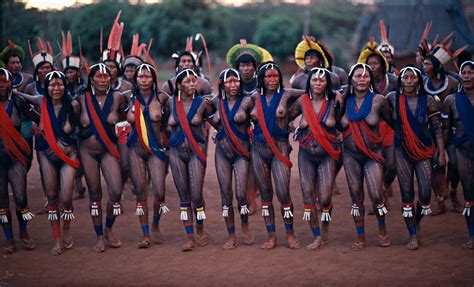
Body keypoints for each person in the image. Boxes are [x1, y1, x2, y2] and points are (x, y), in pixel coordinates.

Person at [17, 71, 80, 255]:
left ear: (65, 85)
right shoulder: (40, 101)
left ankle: (67, 229)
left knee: (67, 198)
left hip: (69, 154)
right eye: (52, 85)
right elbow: (20, 95)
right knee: (52, 197)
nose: (56, 88)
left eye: (60, 84)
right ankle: (57, 238)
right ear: (45, 87)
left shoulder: (73, 104)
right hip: (46, 154)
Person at [387, 66, 445, 250]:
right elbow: (384, 117)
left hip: (424, 150)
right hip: (401, 150)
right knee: (406, 193)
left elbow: (437, 127)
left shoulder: (428, 100)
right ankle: (412, 233)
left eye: (413, 78)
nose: (409, 80)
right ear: (400, 80)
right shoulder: (392, 99)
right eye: (406, 77)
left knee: (426, 193)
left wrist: (441, 152)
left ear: (419, 81)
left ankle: (417, 220)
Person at [338, 63, 392, 251]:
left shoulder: (380, 100)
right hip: (351, 156)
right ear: (351, 79)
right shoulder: (343, 101)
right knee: (356, 197)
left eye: (366, 76)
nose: (362, 79)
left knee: (377, 195)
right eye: (358, 76)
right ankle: (360, 236)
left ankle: (382, 230)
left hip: (372, 155)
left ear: (371, 79)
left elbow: (394, 123)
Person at [250, 62, 302, 250]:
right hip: (258, 148)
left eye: (275, 76)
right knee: (265, 195)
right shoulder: (253, 98)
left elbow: (309, 92)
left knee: (283, 193)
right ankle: (271, 235)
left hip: (279, 147)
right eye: (268, 76)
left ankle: (290, 234)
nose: (272, 80)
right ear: (261, 79)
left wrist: (335, 93)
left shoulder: (287, 95)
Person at [289, 68, 341, 250]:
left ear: (328, 83)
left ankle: (324, 229)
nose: (317, 84)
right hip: (306, 154)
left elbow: (344, 123)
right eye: (314, 80)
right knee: (307, 194)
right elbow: (285, 117)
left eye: (322, 81)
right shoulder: (302, 102)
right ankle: (316, 235)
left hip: (327, 155)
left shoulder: (335, 101)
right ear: (308, 82)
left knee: (325, 198)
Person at [77, 63, 125, 252]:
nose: (103, 80)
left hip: (109, 150)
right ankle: (98, 236)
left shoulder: (118, 97)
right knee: (95, 194)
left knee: (115, 192)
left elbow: (128, 117)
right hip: (87, 151)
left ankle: (108, 229)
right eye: (98, 76)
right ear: (91, 79)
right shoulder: (81, 98)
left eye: (106, 76)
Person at [166, 68, 215, 251]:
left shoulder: (203, 103)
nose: (192, 83)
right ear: (179, 84)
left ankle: (200, 228)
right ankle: (189, 236)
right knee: (184, 197)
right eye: (187, 81)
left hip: (196, 152)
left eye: (194, 80)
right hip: (176, 153)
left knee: (196, 195)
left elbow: (219, 119)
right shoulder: (170, 103)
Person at [126, 63, 170, 248]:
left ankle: (155, 224)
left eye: (147, 77)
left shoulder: (162, 98)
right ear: (135, 79)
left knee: (159, 191)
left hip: (156, 150)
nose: (144, 80)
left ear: (153, 79)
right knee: (141, 191)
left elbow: (170, 122)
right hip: (135, 149)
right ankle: (145, 234)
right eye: (140, 77)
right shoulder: (126, 98)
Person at [211, 68, 254, 249]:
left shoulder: (248, 100)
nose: (233, 84)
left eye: (235, 80)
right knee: (225, 194)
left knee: (241, 193)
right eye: (228, 81)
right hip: (222, 153)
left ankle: (245, 225)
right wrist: (216, 129)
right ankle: (231, 234)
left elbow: (261, 118)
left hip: (242, 153)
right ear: (222, 84)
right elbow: (197, 112)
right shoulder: (215, 101)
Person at [422, 42, 464, 215]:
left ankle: (453, 191)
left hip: (452, 130)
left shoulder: (453, 83)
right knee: (434, 165)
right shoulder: (421, 84)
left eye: (428, 64)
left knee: (454, 163)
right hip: (430, 131)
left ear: (437, 65)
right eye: (423, 64)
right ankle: (439, 200)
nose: (424, 67)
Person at [357, 38, 398, 206]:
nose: (372, 66)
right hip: (370, 128)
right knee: (376, 164)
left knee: (392, 166)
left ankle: (387, 184)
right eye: (369, 63)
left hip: (389, 127)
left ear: (382, 64)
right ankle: (379, 197)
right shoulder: (361, 83)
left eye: (375, 63)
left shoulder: (393, 81)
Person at [0, 68, 35, 254]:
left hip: (15, 158)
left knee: (21, 198)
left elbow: (37, 116)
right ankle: (9, 239)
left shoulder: (19, 101)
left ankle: (24, 233)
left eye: (4, 81)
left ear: (10, 82)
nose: (0, 85)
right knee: (2, 202)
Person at [442, 61, 474, 249]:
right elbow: (445, 131)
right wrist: (440, 154)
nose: (468, 76)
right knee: (469, 193)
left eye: (472, 72)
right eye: (465, 73)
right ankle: (471, 234)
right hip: (462, 150)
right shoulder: (451, 101)